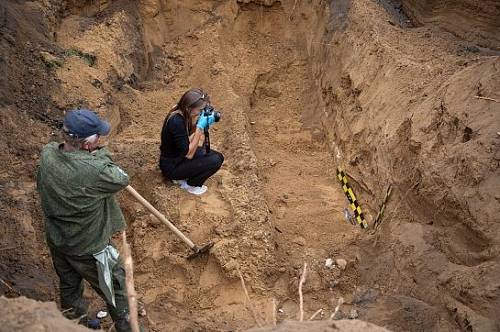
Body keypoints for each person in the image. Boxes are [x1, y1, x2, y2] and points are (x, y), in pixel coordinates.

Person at [37, 109, 141, 332]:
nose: (100, 140)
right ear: (86, 144)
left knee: (69, 288)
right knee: (116, 289)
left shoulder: (47, 155)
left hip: (59, 240)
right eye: (97, 138)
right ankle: (127, 327)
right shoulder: (96, 171)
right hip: (90, 247)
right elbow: (121, 178)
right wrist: (100, 154)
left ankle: (75, 326)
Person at [159, 88, 224, 195]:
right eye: (200, 110)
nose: (201, 112)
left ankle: (185, 176)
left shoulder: (180, 112)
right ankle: (191, 185)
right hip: (172, 166)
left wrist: (200, 122)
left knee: (218, 156)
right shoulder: (176, 121)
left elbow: (186, 136)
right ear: (189, 108)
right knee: (215, 161)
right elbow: (189, 154)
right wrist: (199, 127)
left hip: (178, 156)